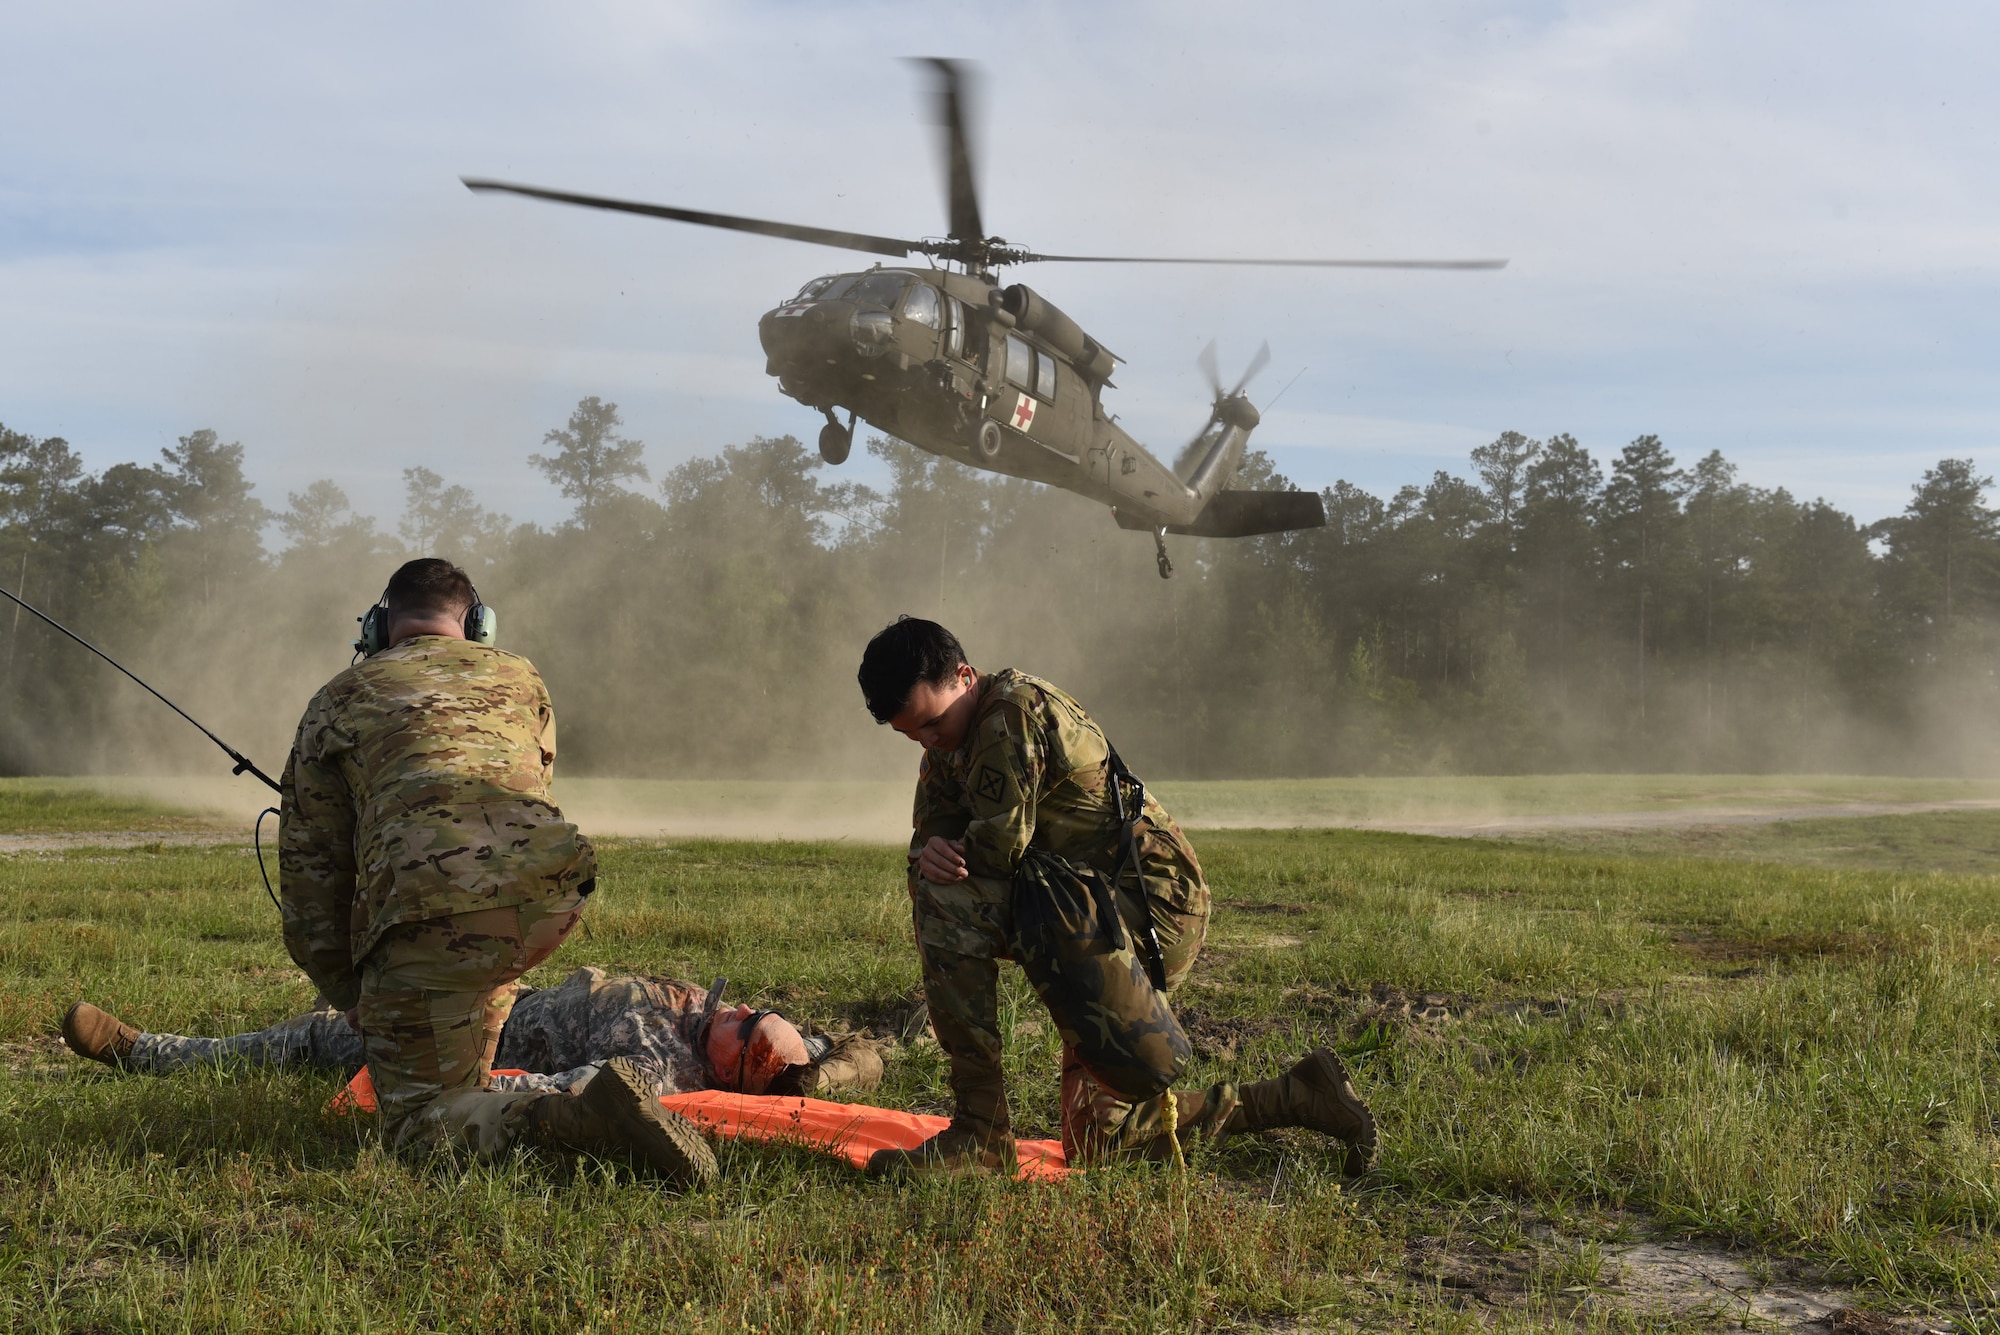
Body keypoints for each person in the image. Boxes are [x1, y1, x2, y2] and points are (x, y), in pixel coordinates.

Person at [855, 616, 1376, 1178]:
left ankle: (980, 1134)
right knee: (1104, 1143)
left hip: (1149, 908)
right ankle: (1299, 1095)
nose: (930, 744)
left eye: (932, 724)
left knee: (947, 903)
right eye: (913, 737)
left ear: (963, 675)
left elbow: (993, 854)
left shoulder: (1009, 714)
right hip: (1076, 908)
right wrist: (926, 851)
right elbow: (933, 835)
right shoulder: (952, 735)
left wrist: (934, 858)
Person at [271, 557, 712, 1185]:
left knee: (415, 1124)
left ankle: (582, 1119)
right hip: (548, 901)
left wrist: (348, 993)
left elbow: (312, 876)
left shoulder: (340, 697)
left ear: (376, 627)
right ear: (477, 624)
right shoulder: (521, 676)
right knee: (468, 1002)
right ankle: (477, 1092)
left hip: (434, 913)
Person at [60, 968, 885, 1099]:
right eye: (746, 1008)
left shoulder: (657, 1068)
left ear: (734, 1072)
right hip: (491, 984)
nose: (731, 1012)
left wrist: (466, 1083)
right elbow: (866, 1051)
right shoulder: (705, 1014)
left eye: (740, 1028)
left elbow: (559, 1091)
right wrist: (832, 1072)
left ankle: (148, 1053)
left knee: (318, 1036)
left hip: (467, 1035)